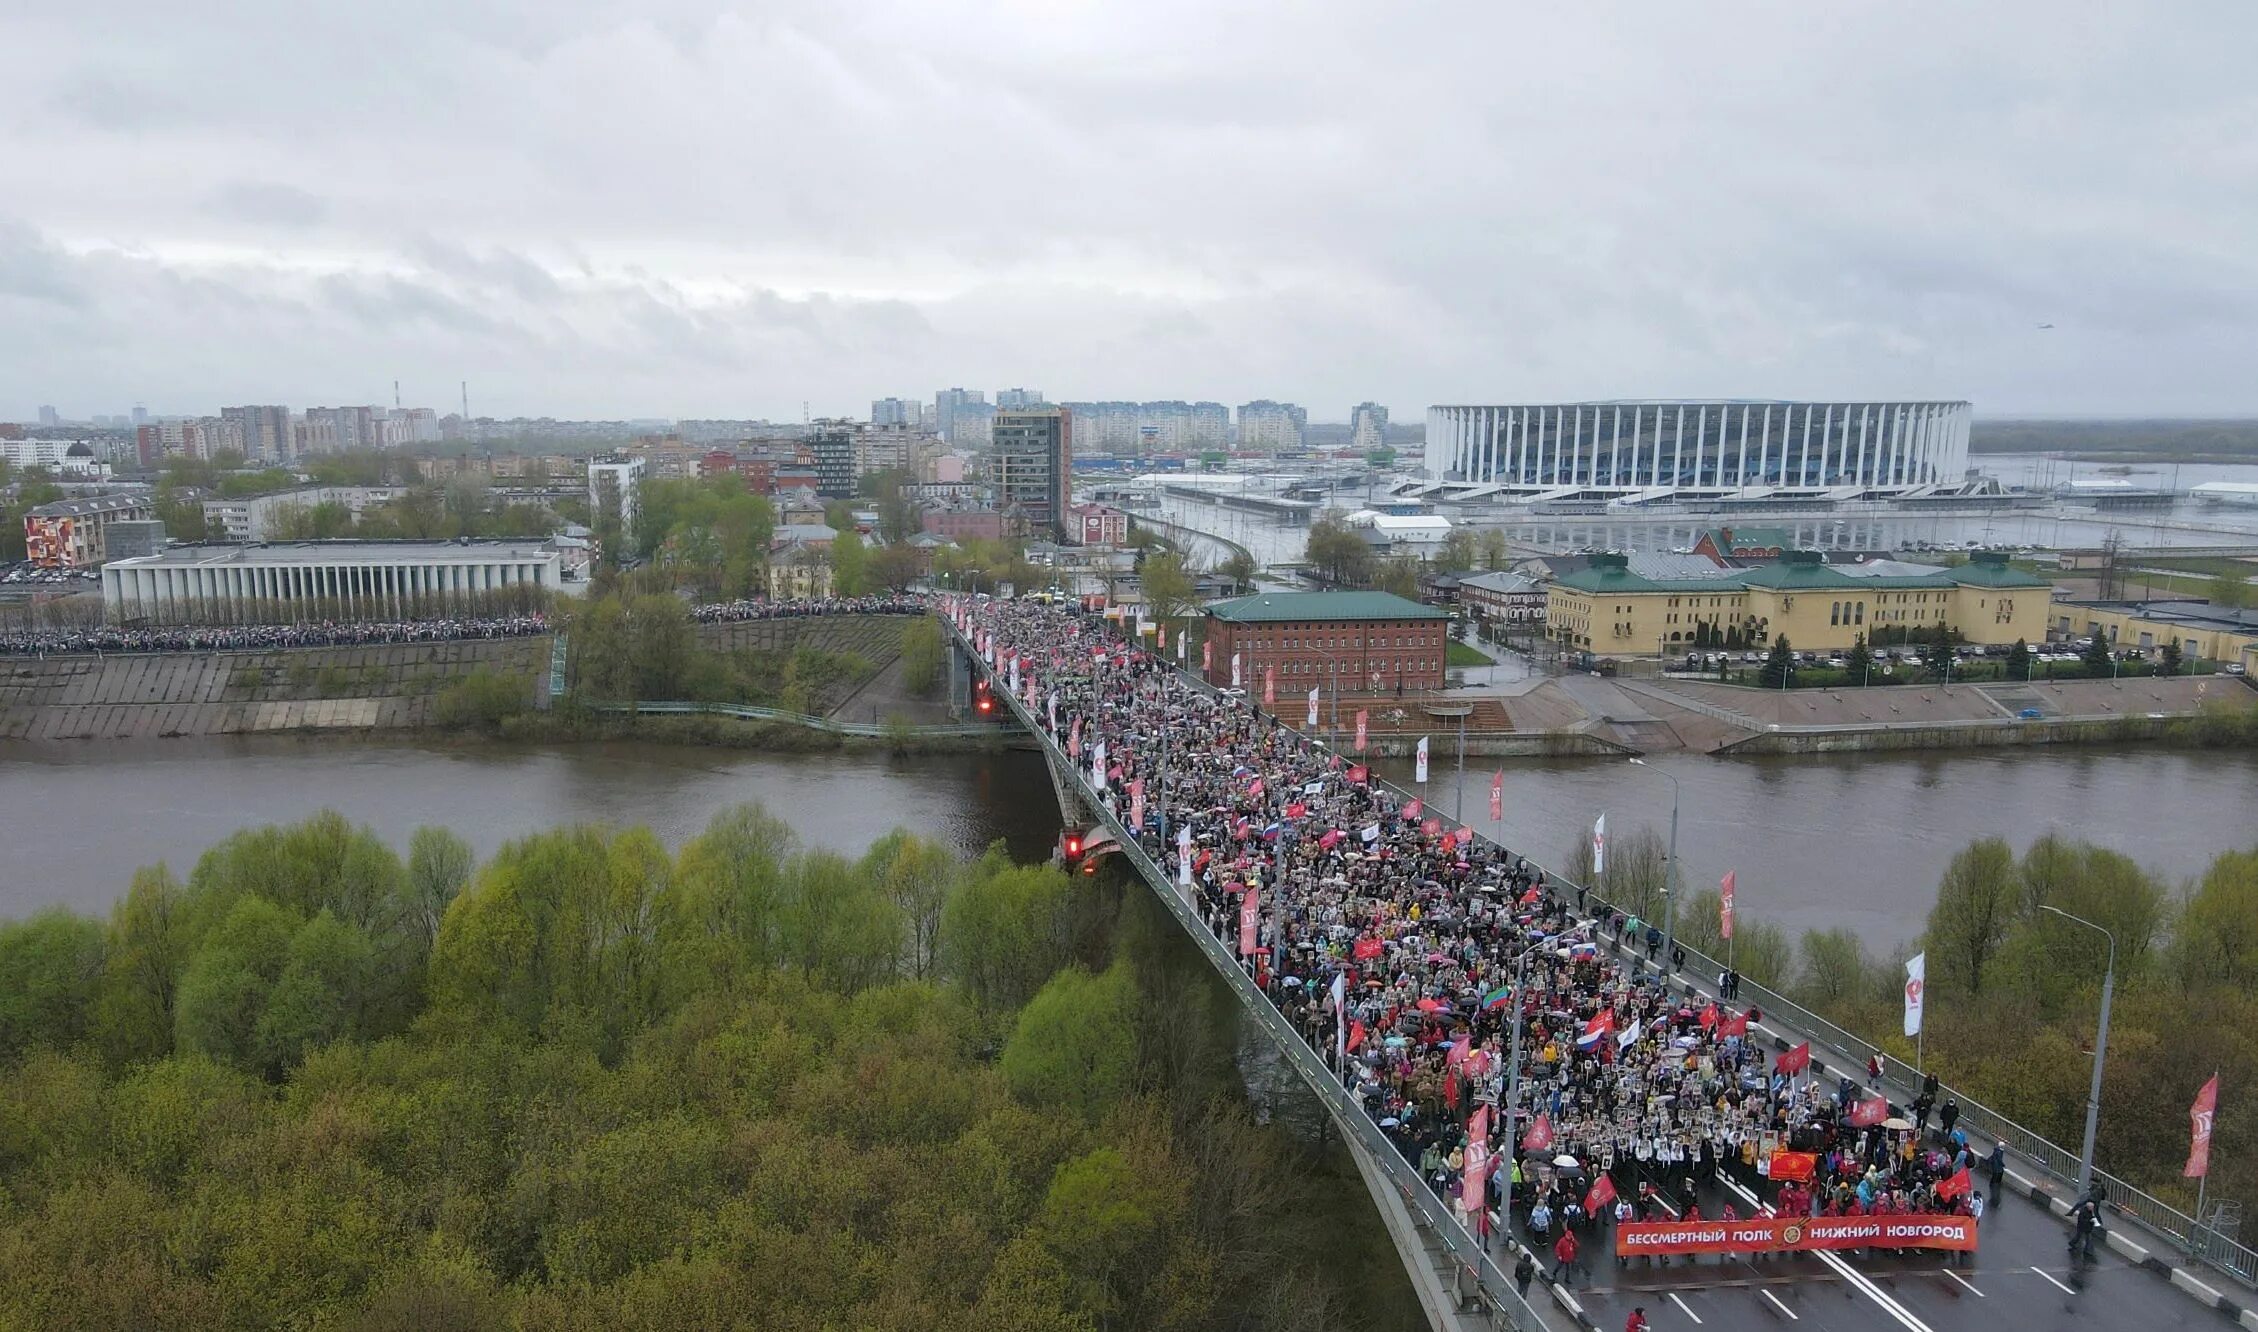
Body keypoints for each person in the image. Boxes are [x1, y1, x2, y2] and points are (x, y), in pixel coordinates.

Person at [2069, 1187, 2106, 1263]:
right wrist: (2091, 1221)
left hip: (2086, 1227)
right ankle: (2075, 1244)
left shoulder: (2088, 1211)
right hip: (2083, 1227)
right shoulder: (2084, 1212)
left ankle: (2087, 1250)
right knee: (2081, 1236)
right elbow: (2083, 1220)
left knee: (2087, 1238)